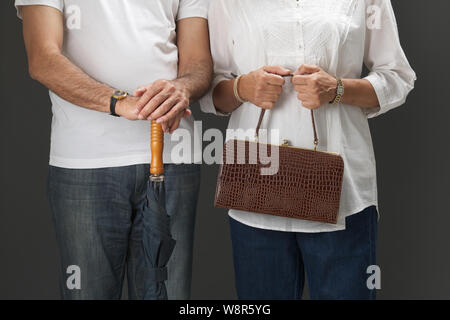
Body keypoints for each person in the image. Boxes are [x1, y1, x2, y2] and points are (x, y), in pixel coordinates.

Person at [201, 0, 416, 300]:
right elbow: (210, 92)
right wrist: (243, 88)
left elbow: (397, 76)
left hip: (343, 195)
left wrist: (337, 89)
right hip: (255, 195)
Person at [16, 0, 212, 300]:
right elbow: (43, 58)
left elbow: (197, 64)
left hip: (172, 158)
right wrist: (119, 103)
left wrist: (182, 89)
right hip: (84, 163)